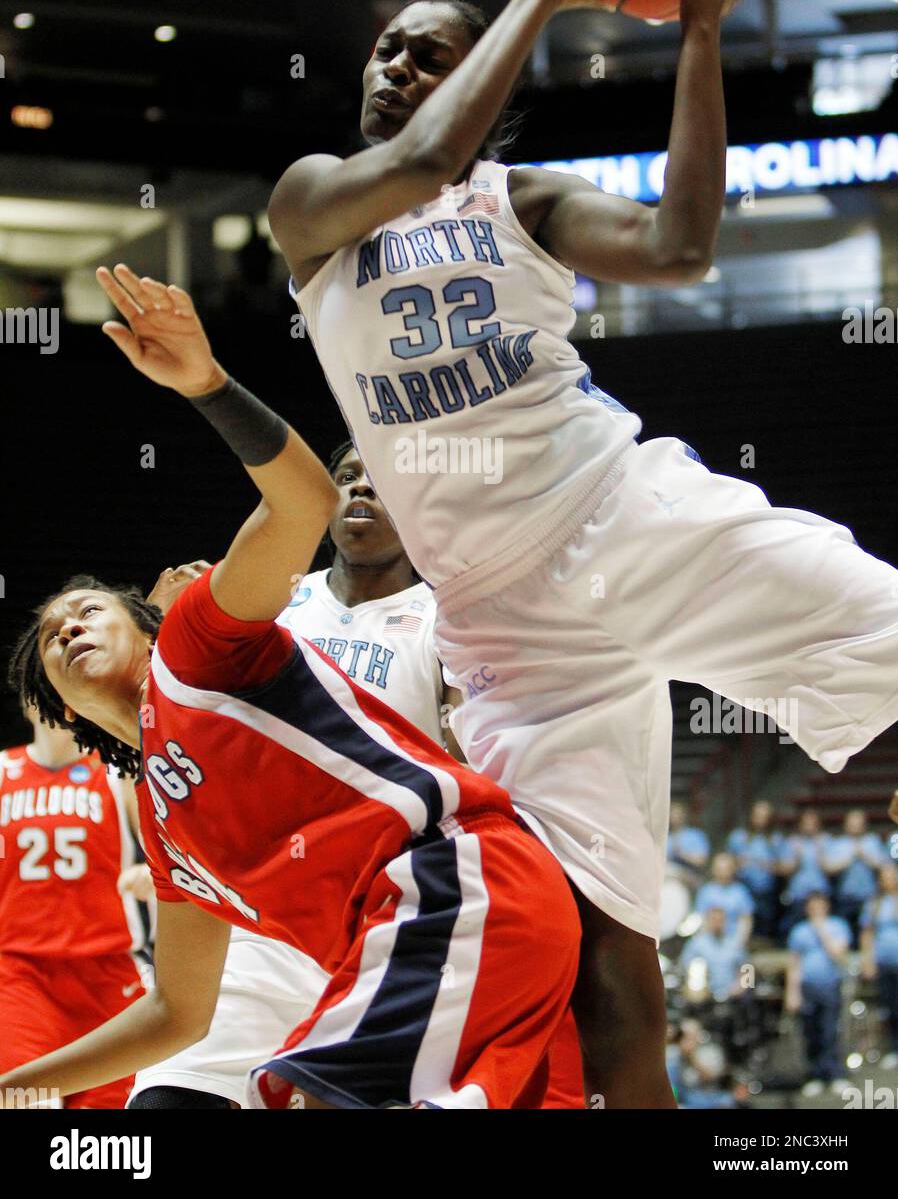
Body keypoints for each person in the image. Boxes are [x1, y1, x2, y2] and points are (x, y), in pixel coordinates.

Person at [266, 0, 898, 1108]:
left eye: (433, 55)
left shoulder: (523, 200)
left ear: (491, 91)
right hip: (507, 628)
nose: (400, 65)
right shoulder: (312, 209)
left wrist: (703, 29)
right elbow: (424, 153)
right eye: (390, 48)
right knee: (608, 957)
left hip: (624, 518)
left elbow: (682, 247)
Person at [0, 265, 580, 1111]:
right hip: (386, 938)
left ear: (148, 619)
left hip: (447, 879)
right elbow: (174, 1014)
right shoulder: (166, 836)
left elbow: (302, 501)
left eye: (87, 610)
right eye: (52, 638)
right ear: (56, 703)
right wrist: (19, 1083)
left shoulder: (197, 645)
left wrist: (206, 384)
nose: (69, 628)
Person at [0, 699, 148, 1108]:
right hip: (21, 975)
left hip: (109, 971)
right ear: (25, 706)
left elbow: (170, 853)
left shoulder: (118, 770)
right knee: (23, 1099)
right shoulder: (1, 772)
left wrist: (152, 875)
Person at [785, 891, 851, 1094]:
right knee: (810, 1032)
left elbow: (837, 953)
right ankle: (815, 1074)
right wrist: (792, 992)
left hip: (829, 985)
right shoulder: (799, 931)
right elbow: (794, 964)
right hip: (807, 987)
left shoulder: (837, 926)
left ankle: (835, 1073)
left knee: (830, 1031)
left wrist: (821, 929)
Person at [822, 809, 886, 946]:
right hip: (845, 896)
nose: (856, 826)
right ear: (846, 825)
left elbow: (883, 866)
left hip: (868, 896)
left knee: (867, 932)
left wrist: (865, 856)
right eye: (852, 823)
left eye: (859, 823)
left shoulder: (872, 841)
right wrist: (849, 859)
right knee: (845, 931)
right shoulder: (838, 843)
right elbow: (828, 868)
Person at [727, 800, 784, 940]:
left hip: (768, 890)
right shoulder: (738, 837)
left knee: (766, 925)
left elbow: (785, 866)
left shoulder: (776, 840)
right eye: (757, 815)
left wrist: (768, 865)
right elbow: (728, 861)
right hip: (744, 887)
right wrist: (738, 863)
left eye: (765, 816)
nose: (761, 820)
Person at [860, 861, 898, 1067]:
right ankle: (894, 1048)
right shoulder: (875, 904)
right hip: (884, 962)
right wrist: (868, 960)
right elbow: (867, 934)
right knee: (890, 1006)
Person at [679, 906, 746, 1003]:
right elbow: (684, 967)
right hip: (704, 998)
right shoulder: (697, 943)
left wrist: (741, 986)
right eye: (714, 919)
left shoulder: (735, 943)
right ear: (708, 920)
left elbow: (748, 968)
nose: (717, 923)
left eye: (720, 920)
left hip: (732, 998)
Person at [780, 810, 831, 937]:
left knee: (822, 929)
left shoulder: (826, 841)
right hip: (798, 894)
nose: (809, 826)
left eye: (812, 823)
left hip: (820, 893)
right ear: (800, 825)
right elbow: (784, 870)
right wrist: (796, 859)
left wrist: (821, 854)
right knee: (797, 930)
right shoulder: (792, 842)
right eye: (806, 823)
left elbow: (831, 869)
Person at [695, 854, 754, 947]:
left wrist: (739, 942)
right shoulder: (706, 891)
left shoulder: (741, 892)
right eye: (719, 869)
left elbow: (746, 920)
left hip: (733, 940)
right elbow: (701, 918)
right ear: (713, 869)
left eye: (726, 868)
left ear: (733, 869)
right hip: (709, 940)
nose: (723, 872)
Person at [667, 801, 710, 888]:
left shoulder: (695, 835)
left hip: (691, 877)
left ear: (684, 815)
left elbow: (701, 861)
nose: (675, 817)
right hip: (669, 878)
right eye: (672, 814)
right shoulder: (666, 837)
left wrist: (681, 854)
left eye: (678, 814)